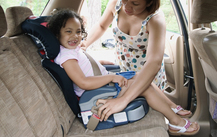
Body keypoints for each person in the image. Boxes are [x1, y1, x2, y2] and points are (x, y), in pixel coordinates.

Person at [48, 9, 200, 135]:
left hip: (101, 86)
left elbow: (83, 68)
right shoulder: (66, 56)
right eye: (69, 31)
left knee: (141, 76)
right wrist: (112, 77)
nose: (75, 36)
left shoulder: (72, 50)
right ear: (57, 33)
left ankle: (171, 106)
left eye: (78, 31)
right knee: (144, 87)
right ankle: (175, 122)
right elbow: (84, 82)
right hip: (95, 94)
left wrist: (100, 63)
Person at [80, 0, 193, 119]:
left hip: (147, 77)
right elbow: (101, 26)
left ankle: (172, 111)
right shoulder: (116, 3)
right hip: (124, 71)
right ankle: (172, 108)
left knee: (148, 113)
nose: (126, 5)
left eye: (135, 3)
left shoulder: (155, 20)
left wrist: (123, 100)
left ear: (149, 2)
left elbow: (154, 63)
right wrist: (83, 45)